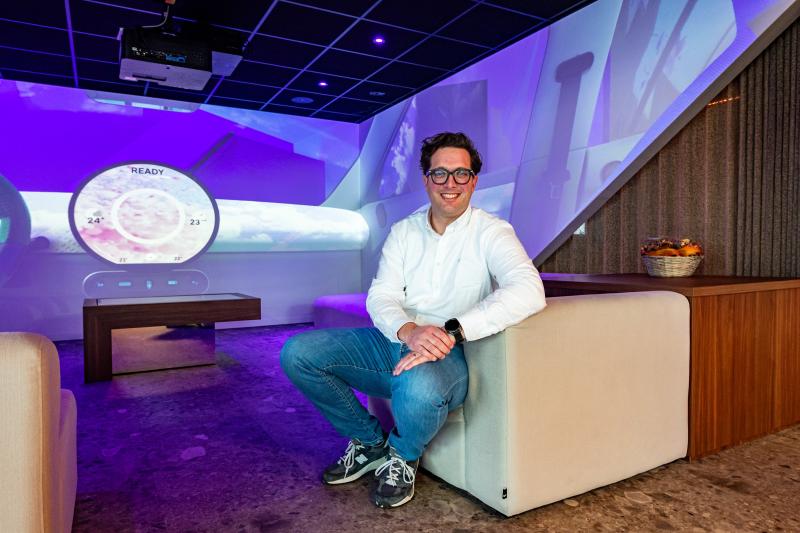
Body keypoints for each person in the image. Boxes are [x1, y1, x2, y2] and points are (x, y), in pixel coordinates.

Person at [280, 131, 546, 509]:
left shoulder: (492, 232)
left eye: (461, 173)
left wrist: (450, 332)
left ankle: (403, 456)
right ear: (426, 179)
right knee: (298, 353)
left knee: (419, 387)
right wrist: (409, 330)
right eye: (440, 173)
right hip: (393, 340)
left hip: (448, 353)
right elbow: (382, 295)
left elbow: (529, 289)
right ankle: (369, 443)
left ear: (473, 181)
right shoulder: (404, 231)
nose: (450, 183)